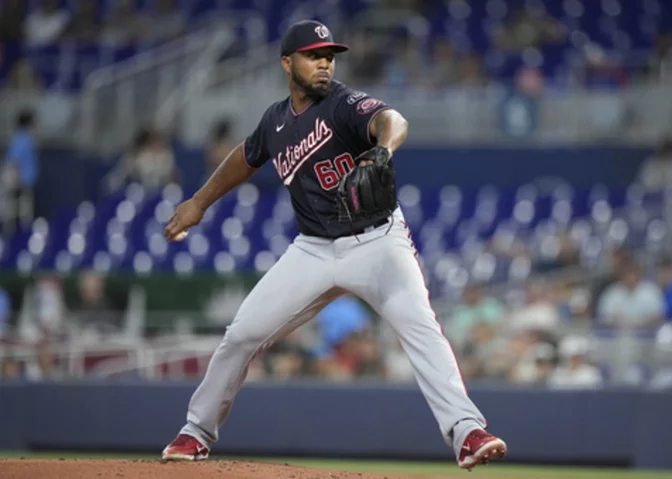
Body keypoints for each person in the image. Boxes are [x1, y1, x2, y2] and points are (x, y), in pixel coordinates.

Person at [160, 20, 506, 470]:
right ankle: (195, 433)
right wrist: (198, 202)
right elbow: (245, 158)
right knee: (241, 335)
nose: (325, 62)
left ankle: (466, 430)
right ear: (287, 63)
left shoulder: (344, 104)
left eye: (329, 55)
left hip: (377, 241)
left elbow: (392, 120)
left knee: (420, 328)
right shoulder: (276, 121)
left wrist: (384, 148)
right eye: (313, 54)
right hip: (314, 249)